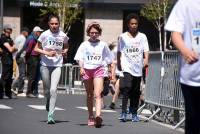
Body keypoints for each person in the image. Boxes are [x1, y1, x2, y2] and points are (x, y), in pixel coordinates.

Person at [165, 1, 200, 134]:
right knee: (193, 120)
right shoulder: (185, 3)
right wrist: (185, 51)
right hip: (191, 75)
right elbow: (175, 34)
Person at [74, 22, 113, 128]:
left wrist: (109, 71)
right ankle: (91, 116)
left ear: (99, 33)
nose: (94, 34)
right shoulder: (84, 45)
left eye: (96, 33)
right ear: (88, 33)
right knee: (90, 94)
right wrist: (81, 68)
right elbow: (80, 58)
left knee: (97, 94)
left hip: (98, 70)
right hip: (86, 70)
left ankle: (98, 116)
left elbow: (108, 59)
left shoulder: (103, 45)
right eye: (91, 33)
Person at [34, 14, 69, 124]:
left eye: (56, 23)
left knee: (53, 90)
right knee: (47, 91)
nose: (54, 25)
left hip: (57, 65)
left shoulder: (63, 35)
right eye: (52, 24)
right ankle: (48, 100)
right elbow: (36, 48)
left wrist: (65, 51)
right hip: (45, 64)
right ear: (49, 24)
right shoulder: (44, 34)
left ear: (59, 24)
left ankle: (50, 115)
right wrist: (47, 53)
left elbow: (66, 46)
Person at [117, 13, 149, 122]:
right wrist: (118, 63)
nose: (134, 25)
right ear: (128, 25)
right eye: (132, 24)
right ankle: (124, 112)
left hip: (138, 67)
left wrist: (146, 60)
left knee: (135, 91)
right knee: (127, 88)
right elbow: (119, 51)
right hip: (127, 67)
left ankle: (134, 112)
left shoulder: (142, 36)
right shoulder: (122, 37)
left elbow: (146, 50)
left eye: (135, 24)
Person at [0, 24, 18, 99]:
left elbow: (15, 48)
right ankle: (1, 93)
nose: (11, 30)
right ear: (5, 30)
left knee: (10, 77)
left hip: (10, 59)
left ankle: (8, 93)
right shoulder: (3, 38)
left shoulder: (9, 39)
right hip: (5, 59)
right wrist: (13, 47)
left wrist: (13, 47)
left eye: (11, 29)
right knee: (4, 77)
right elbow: (11, 49)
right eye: (9, 29)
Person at [25, 26, 43, 98]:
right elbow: (28, 50)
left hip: (34, 58)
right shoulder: (32, 39)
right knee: (32, 76)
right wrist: (27, 58)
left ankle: (32, 91)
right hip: (32, 58)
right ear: (36, 32)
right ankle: (29, 92)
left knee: (34, 75)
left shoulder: (34, 38)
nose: (40, 33)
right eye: (39, 32)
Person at [12, 27, 29, 95]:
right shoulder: (23, 38)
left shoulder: (17, 37)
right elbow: (22, 49)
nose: (27, 34)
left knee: (20, 74)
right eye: (27, 32)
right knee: (22, 74)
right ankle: (20, 90)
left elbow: (16, 48)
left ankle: (14, 86)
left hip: (17, 57)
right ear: (24, 32)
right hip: (21, 57)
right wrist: (23, 56)